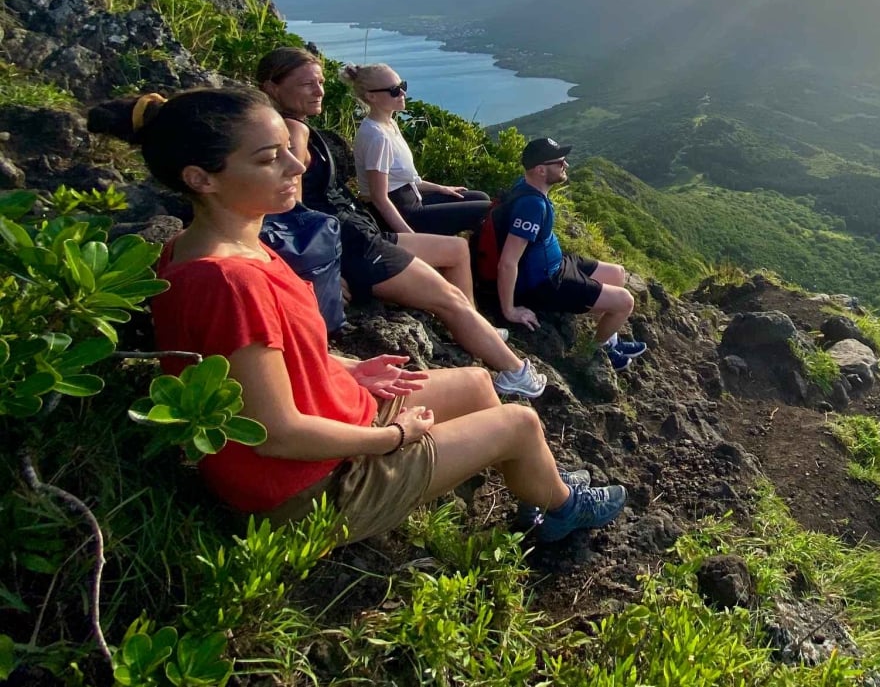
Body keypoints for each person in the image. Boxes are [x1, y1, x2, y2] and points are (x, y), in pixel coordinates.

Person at [89, 87, 626, 544]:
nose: (297, 165)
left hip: (329, 429)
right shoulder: (229, 280)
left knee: (478, 384)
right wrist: (392, 440)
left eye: (287, 150)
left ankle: (516, 480)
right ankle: (558, 512)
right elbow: (275, 432)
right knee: (520, 421)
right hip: (307, 490)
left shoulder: (227, 244)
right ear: (201, 178)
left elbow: (267, 363)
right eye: (268, 157)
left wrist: (343, 370)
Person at [255, 47, 545, 400]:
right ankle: (515, 373)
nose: (319, 91)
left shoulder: (297, 127)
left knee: (454, 250)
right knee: (448, 298)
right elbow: (291, 211)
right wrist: (322, 271)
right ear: (272, 87)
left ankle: (477, 330)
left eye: (320, 82)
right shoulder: (293, 132)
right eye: (306, 84)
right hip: (353, 243)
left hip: (358, 231)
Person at [479, 137, 647, 370]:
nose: (565, 165)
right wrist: (510, 310)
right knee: (625, 302)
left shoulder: (527, 186)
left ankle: (610, 342)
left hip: (557, 264)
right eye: (559, 162)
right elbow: (508, 262)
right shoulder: (531, 206)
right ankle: (594, 352)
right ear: (540, 170)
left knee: (617, 273)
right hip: (546, 283)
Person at [342, 63, 491, 237]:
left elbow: (401, 180)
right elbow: (379, 198)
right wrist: (414, 239)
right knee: (485, 210)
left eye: (402, 86)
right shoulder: (378, 137)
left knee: (481, 197)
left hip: (412, 200)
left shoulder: (389, 125)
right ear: (371, 97)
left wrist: (441, 188)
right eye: (394, 90)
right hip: (402, 214)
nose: (403, 93)